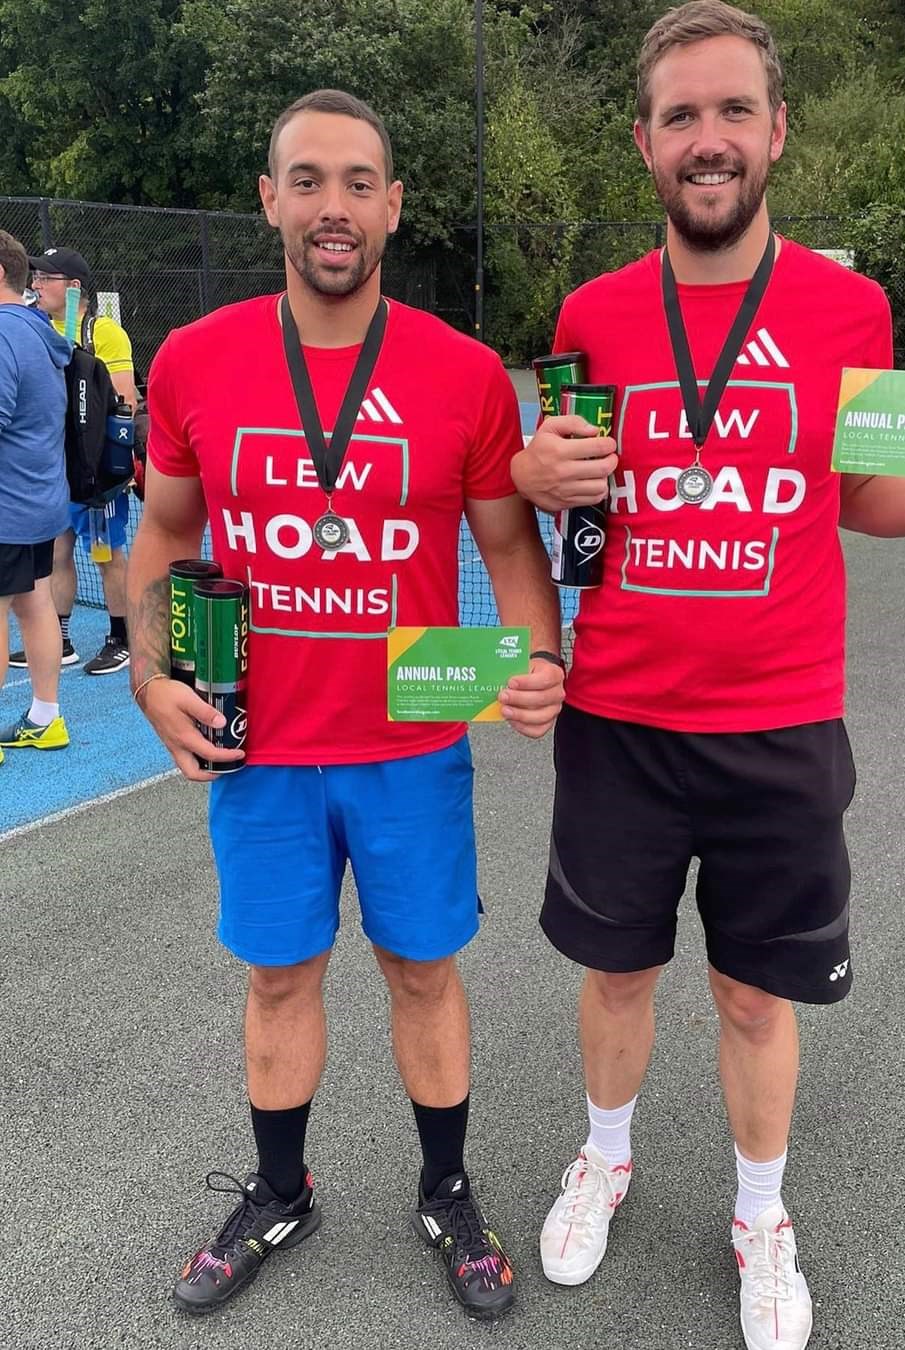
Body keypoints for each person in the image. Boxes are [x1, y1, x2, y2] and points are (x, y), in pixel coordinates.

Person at [510, 5, 905, 1349]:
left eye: (732, 111)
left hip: (781, 719)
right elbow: (572, 511)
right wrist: (537, 473)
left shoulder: (848, 306)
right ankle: (608, 1157)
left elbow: (858, 489)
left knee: (755, 990)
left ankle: (762, 1214)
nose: (709, 139)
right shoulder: (591, 313)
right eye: (681, 116)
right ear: (644, 144)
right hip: (622, 721)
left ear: (777, 130)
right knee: (618, 970)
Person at [127, 89, 564, 1321]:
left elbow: (510, 543)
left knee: (423, 973)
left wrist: (537, 656)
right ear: (269, 198)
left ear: (393, 206)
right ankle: (280, 1192)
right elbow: (161, 535)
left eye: (359, 181)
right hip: (257, 749)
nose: (333, 205)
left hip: (410, 744)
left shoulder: (466, 372)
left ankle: (446, 1190)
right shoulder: (196, 359)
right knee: (279, 980)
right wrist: (154, 676)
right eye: (307, 179)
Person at [8, 245, 138, 674]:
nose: (37, 284)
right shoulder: (37, 328)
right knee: (58, 552)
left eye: (47, 278)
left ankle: (120, 636)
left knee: (105, 554)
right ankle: (61, 638)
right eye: (37, 277)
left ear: (74, 287)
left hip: (97, 473)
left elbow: (124, 400)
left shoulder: (103, 332)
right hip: (55, 469)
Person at [0, 230, 72, 760]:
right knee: (34, 603)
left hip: (7, 505)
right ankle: (46, 719)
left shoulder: (3, 334)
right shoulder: (38, 331)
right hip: (38, 498)